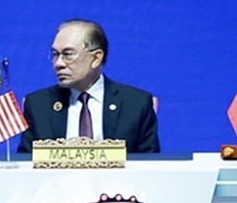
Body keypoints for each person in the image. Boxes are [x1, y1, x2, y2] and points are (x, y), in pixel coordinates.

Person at [18, 19, 159, 154]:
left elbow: (149, 163)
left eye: (68, 54)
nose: (58, 64)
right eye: (55, 54)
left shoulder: (136, 104)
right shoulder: (38, 105)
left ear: (96, 58)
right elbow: (26, 163)